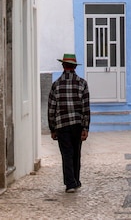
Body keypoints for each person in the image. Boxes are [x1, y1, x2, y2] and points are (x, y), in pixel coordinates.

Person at [48, 53, 90, 193]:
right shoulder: (82, 83)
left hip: (62, 125)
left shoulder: (56, 85)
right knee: (76, 153)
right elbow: (85, 107)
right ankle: (75, 180)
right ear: (74, 67)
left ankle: (70, 183)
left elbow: (51, 108)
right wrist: (85, 127)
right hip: (77, 125)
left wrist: (52, 128)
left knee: (66, 153)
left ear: (63, 66)